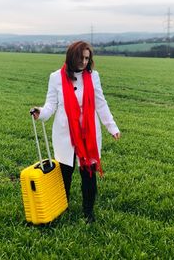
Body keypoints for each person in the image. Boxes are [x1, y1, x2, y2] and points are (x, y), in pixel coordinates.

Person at [31, 41, 120, 223]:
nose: (84, 62)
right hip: (65, 133)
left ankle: (88, 212)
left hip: (88, 133)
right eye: (81, 57)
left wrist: (111, 126)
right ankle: (62, 206)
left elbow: (101, 103)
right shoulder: (56, 77)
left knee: (88, 174)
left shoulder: (93, 77)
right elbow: (51, 105)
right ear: (72, 56)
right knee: (65, 172)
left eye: (87, 58)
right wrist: (41, 113)